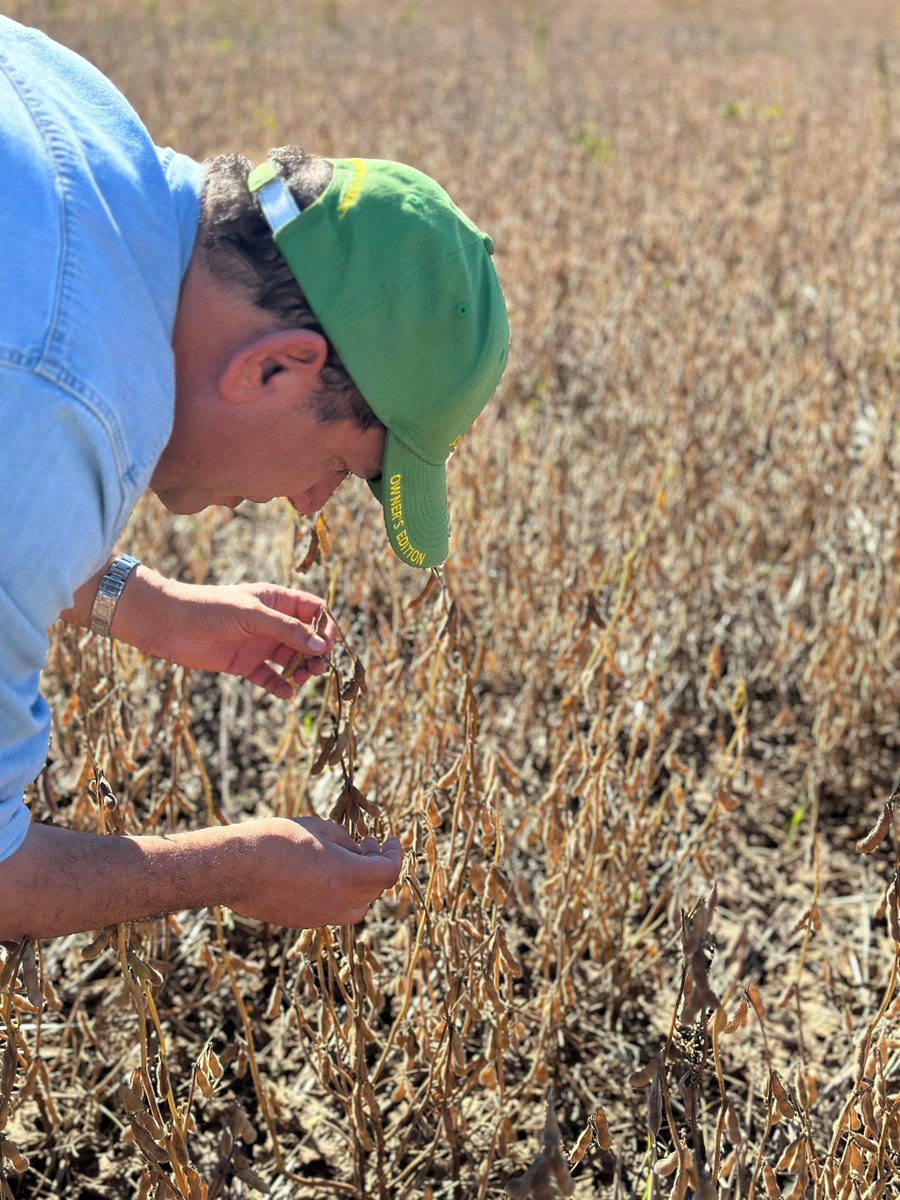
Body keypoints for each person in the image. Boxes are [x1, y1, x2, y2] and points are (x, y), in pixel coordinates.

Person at [0, 17, 509, 942]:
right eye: (337, 469)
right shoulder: (62, 406)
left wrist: (145, 604)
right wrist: (234, 868)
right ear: (274, 369)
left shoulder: (78, 117)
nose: (310, 503)